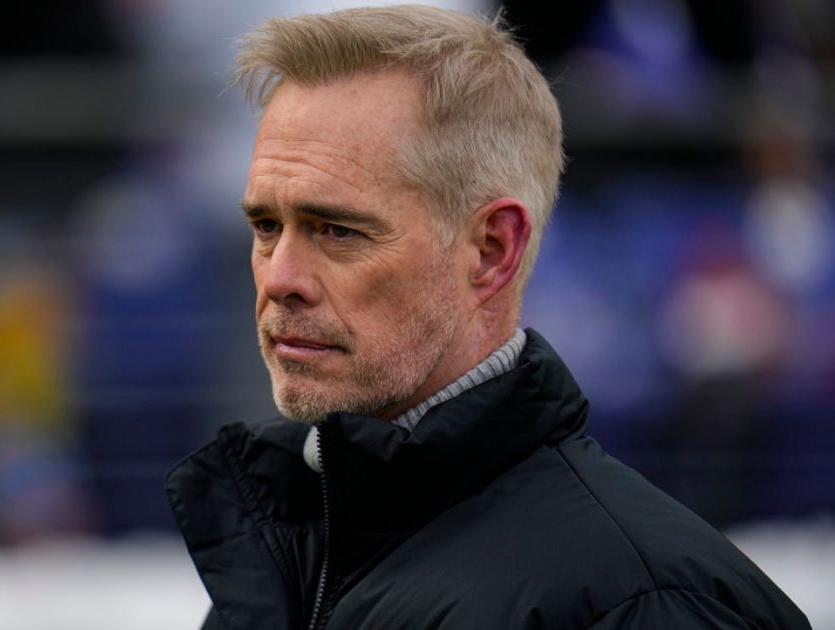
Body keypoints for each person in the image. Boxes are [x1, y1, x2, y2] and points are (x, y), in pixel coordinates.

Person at [164, 5, 810, 630]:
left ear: (492, 250)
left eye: (336, 230)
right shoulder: (284, 566)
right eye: (266, 226)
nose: (279, 277)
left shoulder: (642, 603)